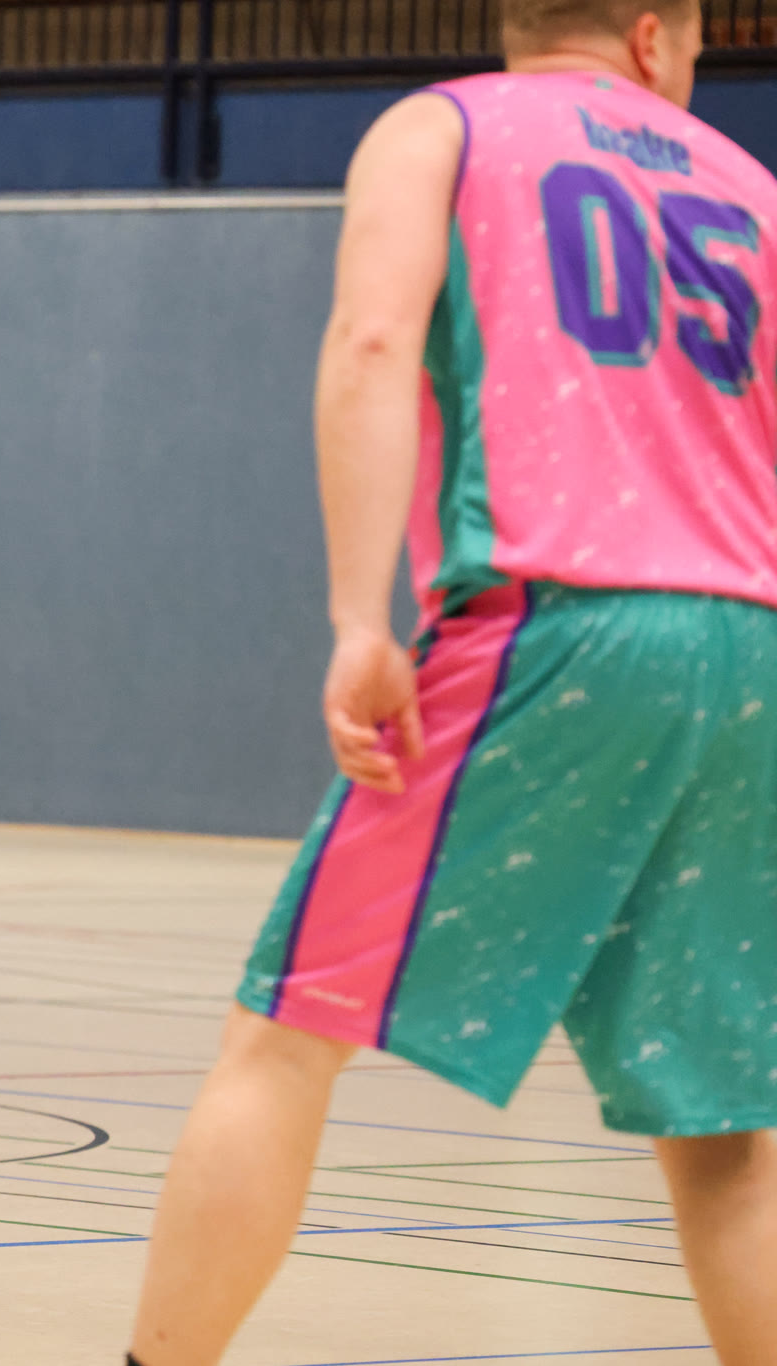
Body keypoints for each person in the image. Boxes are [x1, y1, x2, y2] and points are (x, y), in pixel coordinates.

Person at [128, 2, 777, 1362]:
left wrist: (356, 618)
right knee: (722, 1120)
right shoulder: (749, 184)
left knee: (286, 1032)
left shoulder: (443, 127)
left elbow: (371, 342)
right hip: (752, 646)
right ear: (652, 37)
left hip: (562, 618)